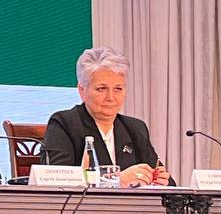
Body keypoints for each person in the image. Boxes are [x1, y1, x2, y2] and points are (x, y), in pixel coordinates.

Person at [42, 46, 173, 187]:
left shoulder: (135, 128)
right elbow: (58, 183)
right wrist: (117, 181)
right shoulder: (64, 124)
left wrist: (161, 181)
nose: (111, 97)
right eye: (101, 89)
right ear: (82, 90)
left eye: (118, 89)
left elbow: (170, 184)